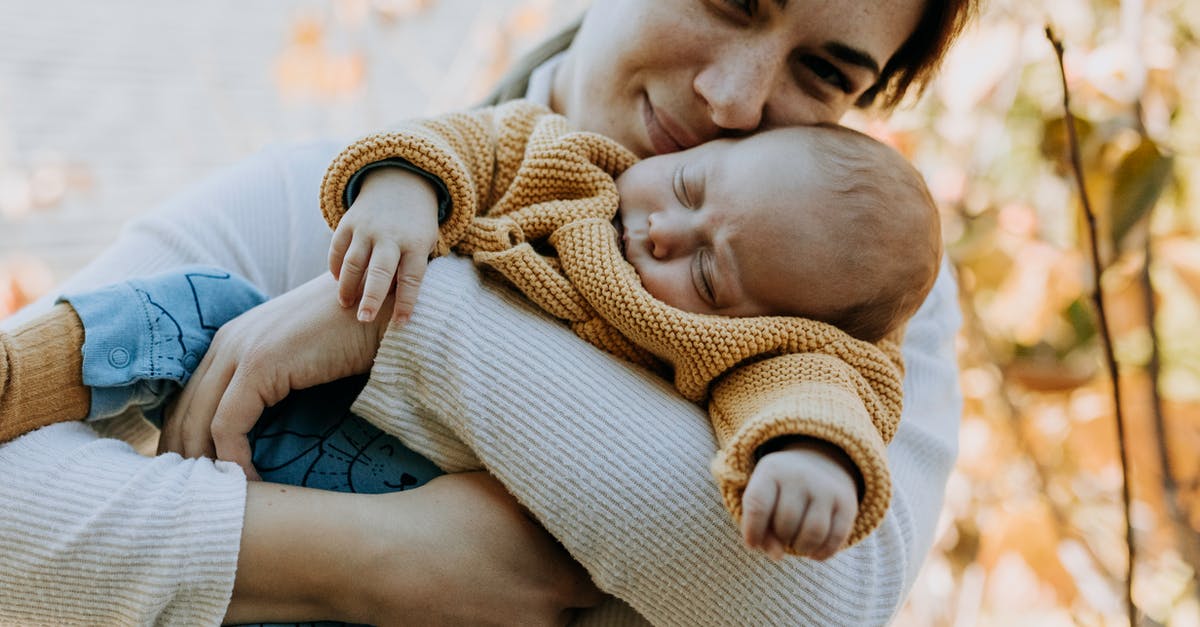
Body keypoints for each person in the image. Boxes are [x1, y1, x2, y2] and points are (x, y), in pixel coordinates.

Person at [0, 0, 972, 624]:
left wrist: (415, 326)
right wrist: (384, 564)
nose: (732, 97)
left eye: (825, 74)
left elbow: (817, 604)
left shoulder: (852, 290)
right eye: (727, 0)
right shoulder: (337, 197)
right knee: (179, 315)